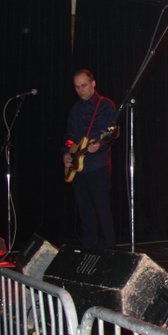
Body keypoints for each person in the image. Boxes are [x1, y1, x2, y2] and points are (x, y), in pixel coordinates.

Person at [63, 68, 117, 251]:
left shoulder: (105, 105)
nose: (80, 90)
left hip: (98, 166)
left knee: (102, 210)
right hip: (78, 168)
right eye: (77, 87)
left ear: (93, 83)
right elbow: (69, 137)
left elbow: (111, 132)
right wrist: (66, 154)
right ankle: (88, 251)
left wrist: (100, 144)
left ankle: (110, 250)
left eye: (84, 85)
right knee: (85, 212)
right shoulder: (75, 109)